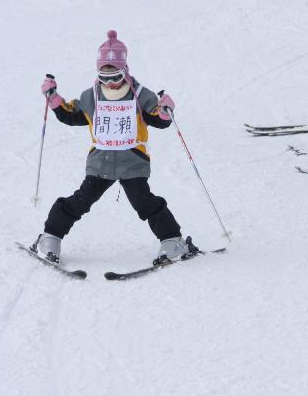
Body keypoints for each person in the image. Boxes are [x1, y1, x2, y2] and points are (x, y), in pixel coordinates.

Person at [32, 30, 194, 264]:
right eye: (103, 76)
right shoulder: (91, 96)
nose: (109, 82)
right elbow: (71, 115)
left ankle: (172, 241)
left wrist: (165, 111)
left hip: (132, 162)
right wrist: (54, 98)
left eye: (115, 76)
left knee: (144, 202)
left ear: (125, 70)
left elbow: (158, 119)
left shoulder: (140, 95)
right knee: (81, 200)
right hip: (101, 163)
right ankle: (50, 238)